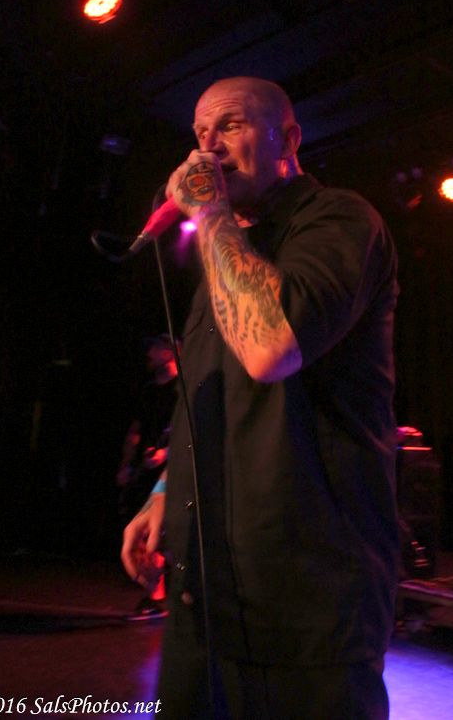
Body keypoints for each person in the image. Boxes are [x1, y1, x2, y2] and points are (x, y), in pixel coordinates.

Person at [121, 77, 399, 719]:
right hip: (206, 601)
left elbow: (270, 348)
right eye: (200, 133)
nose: (209, 147)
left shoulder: (340, 220)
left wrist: (210, 216)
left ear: (289, 140)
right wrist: (164, 492)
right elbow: (203, 391)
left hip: (308, 609)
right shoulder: (225, 258)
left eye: (231, 126)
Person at [116, 334, 178, 614]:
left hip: (175, 470)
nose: (150, 353)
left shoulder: (184, 389)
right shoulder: (148, 391)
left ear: (170, 351)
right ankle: (156, 595)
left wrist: (166, 454)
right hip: (149, 472)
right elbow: (135, 430)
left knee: (164, 532)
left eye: (155, 347)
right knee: (145, 534)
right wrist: (127, 464)